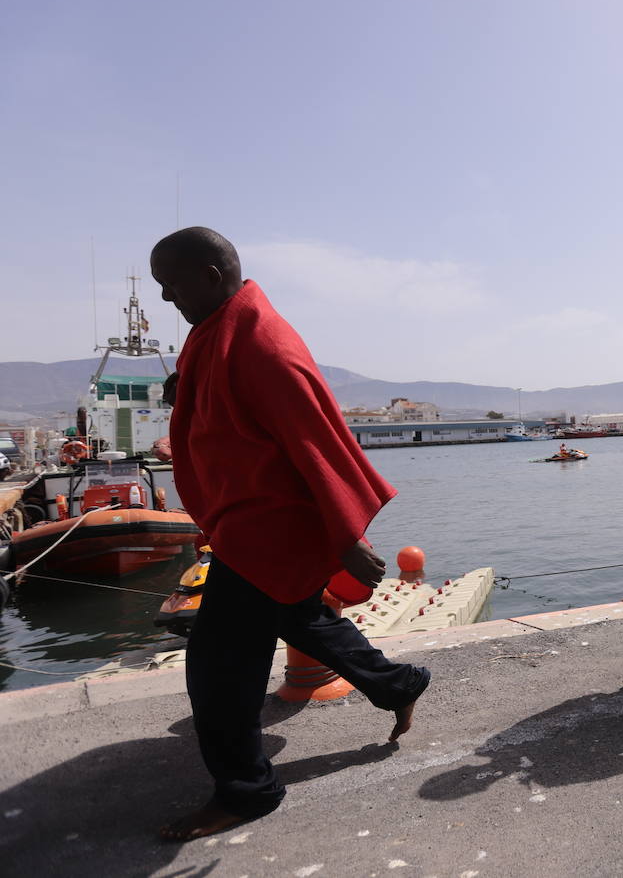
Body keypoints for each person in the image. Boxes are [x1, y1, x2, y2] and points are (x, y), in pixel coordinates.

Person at [149, 228, 430, 841]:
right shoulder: (222, 331)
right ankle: (401, 684)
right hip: (252, 528)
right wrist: (184, 390)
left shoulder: (262, 344)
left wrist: (344, 535)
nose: (166, 297)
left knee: (218, 670)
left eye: (171, 283)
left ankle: (246, 792)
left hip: (268, 533)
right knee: (302, 618)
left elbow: (316, 442)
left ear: (211, 274)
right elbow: (225, 406)